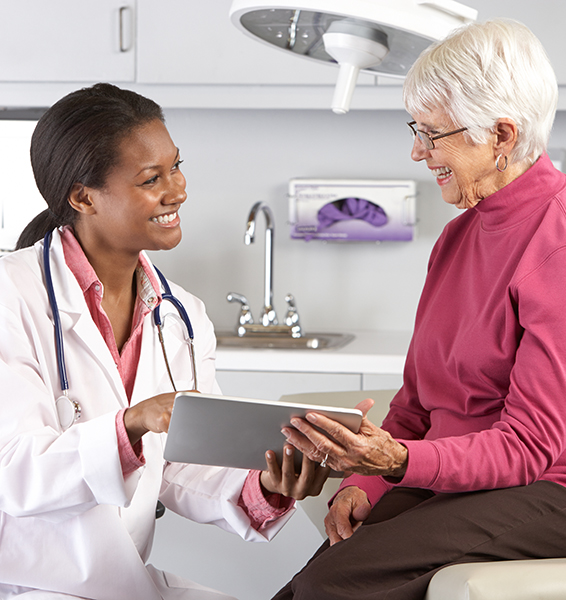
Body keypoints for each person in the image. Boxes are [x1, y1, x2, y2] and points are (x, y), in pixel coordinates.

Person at [272, 18, 566, 600]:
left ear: (501, 134)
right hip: (470, 481)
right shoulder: (458, 237)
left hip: (564, 490)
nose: (418, 151)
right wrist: (369, 485)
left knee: (331, 586)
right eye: (415, 129)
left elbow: (528, 447)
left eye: (433, 133)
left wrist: (396, 462)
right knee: (300, 586)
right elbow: (417, 401)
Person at [0, 83, 329, 600]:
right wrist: (133, 422)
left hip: (120, 581)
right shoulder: (9, 297)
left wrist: (267, 486)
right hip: (26, 583)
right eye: (152, 179)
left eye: (176, 167)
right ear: (83, 196)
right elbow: (15, 469)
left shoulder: (181, 315)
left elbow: (183, 464)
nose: (177, 190)